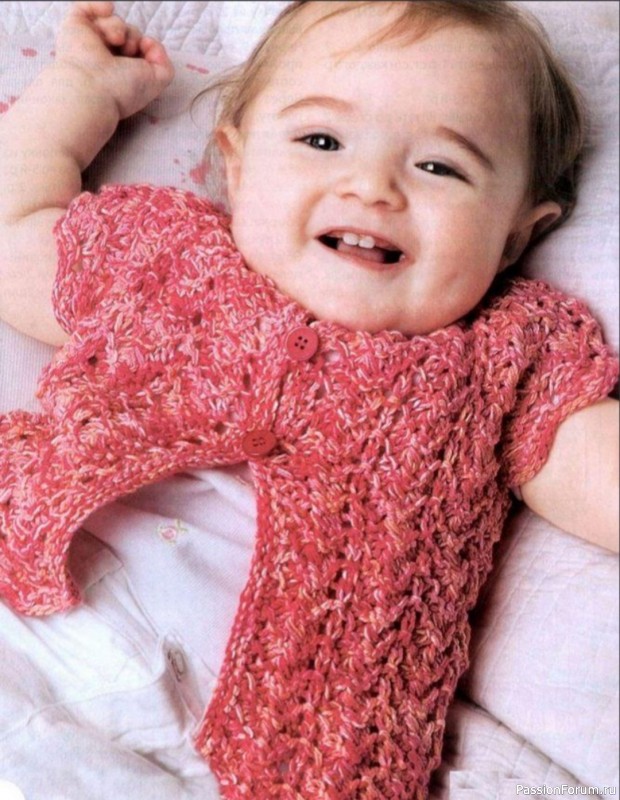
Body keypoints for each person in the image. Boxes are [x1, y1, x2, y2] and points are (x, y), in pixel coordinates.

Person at [0, 1, 618, 798]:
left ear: (513, 237)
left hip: (257, 747)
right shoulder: (168, 265)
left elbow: (596, 469)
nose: (372, 188)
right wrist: (82, 91)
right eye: (322, 141)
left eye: (440, 168)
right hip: (26, 619)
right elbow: (13, 229)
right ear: (237, 166)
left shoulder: (499, 363)